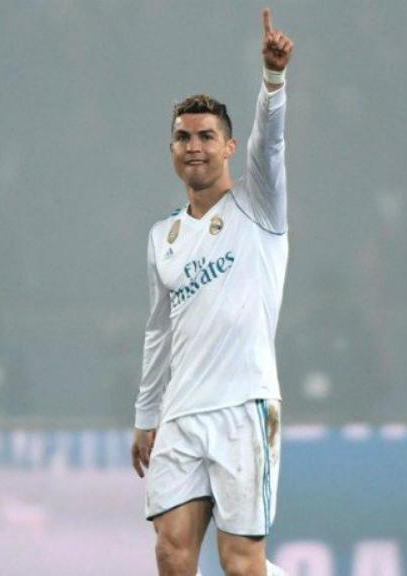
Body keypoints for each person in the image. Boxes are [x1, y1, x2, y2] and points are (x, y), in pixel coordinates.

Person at [130, 9, 293, 576]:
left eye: (205, 136)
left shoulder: (259, 206)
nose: (192, 146)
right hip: (181, 413)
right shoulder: (163, 238)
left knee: (241, 564)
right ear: (170, 148)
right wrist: (147, 412)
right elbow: (159, 329)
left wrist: (273, 82)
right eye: (182, 137)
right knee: (171, 552)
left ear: (228, 147)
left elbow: (270, 144)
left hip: (243, 407)